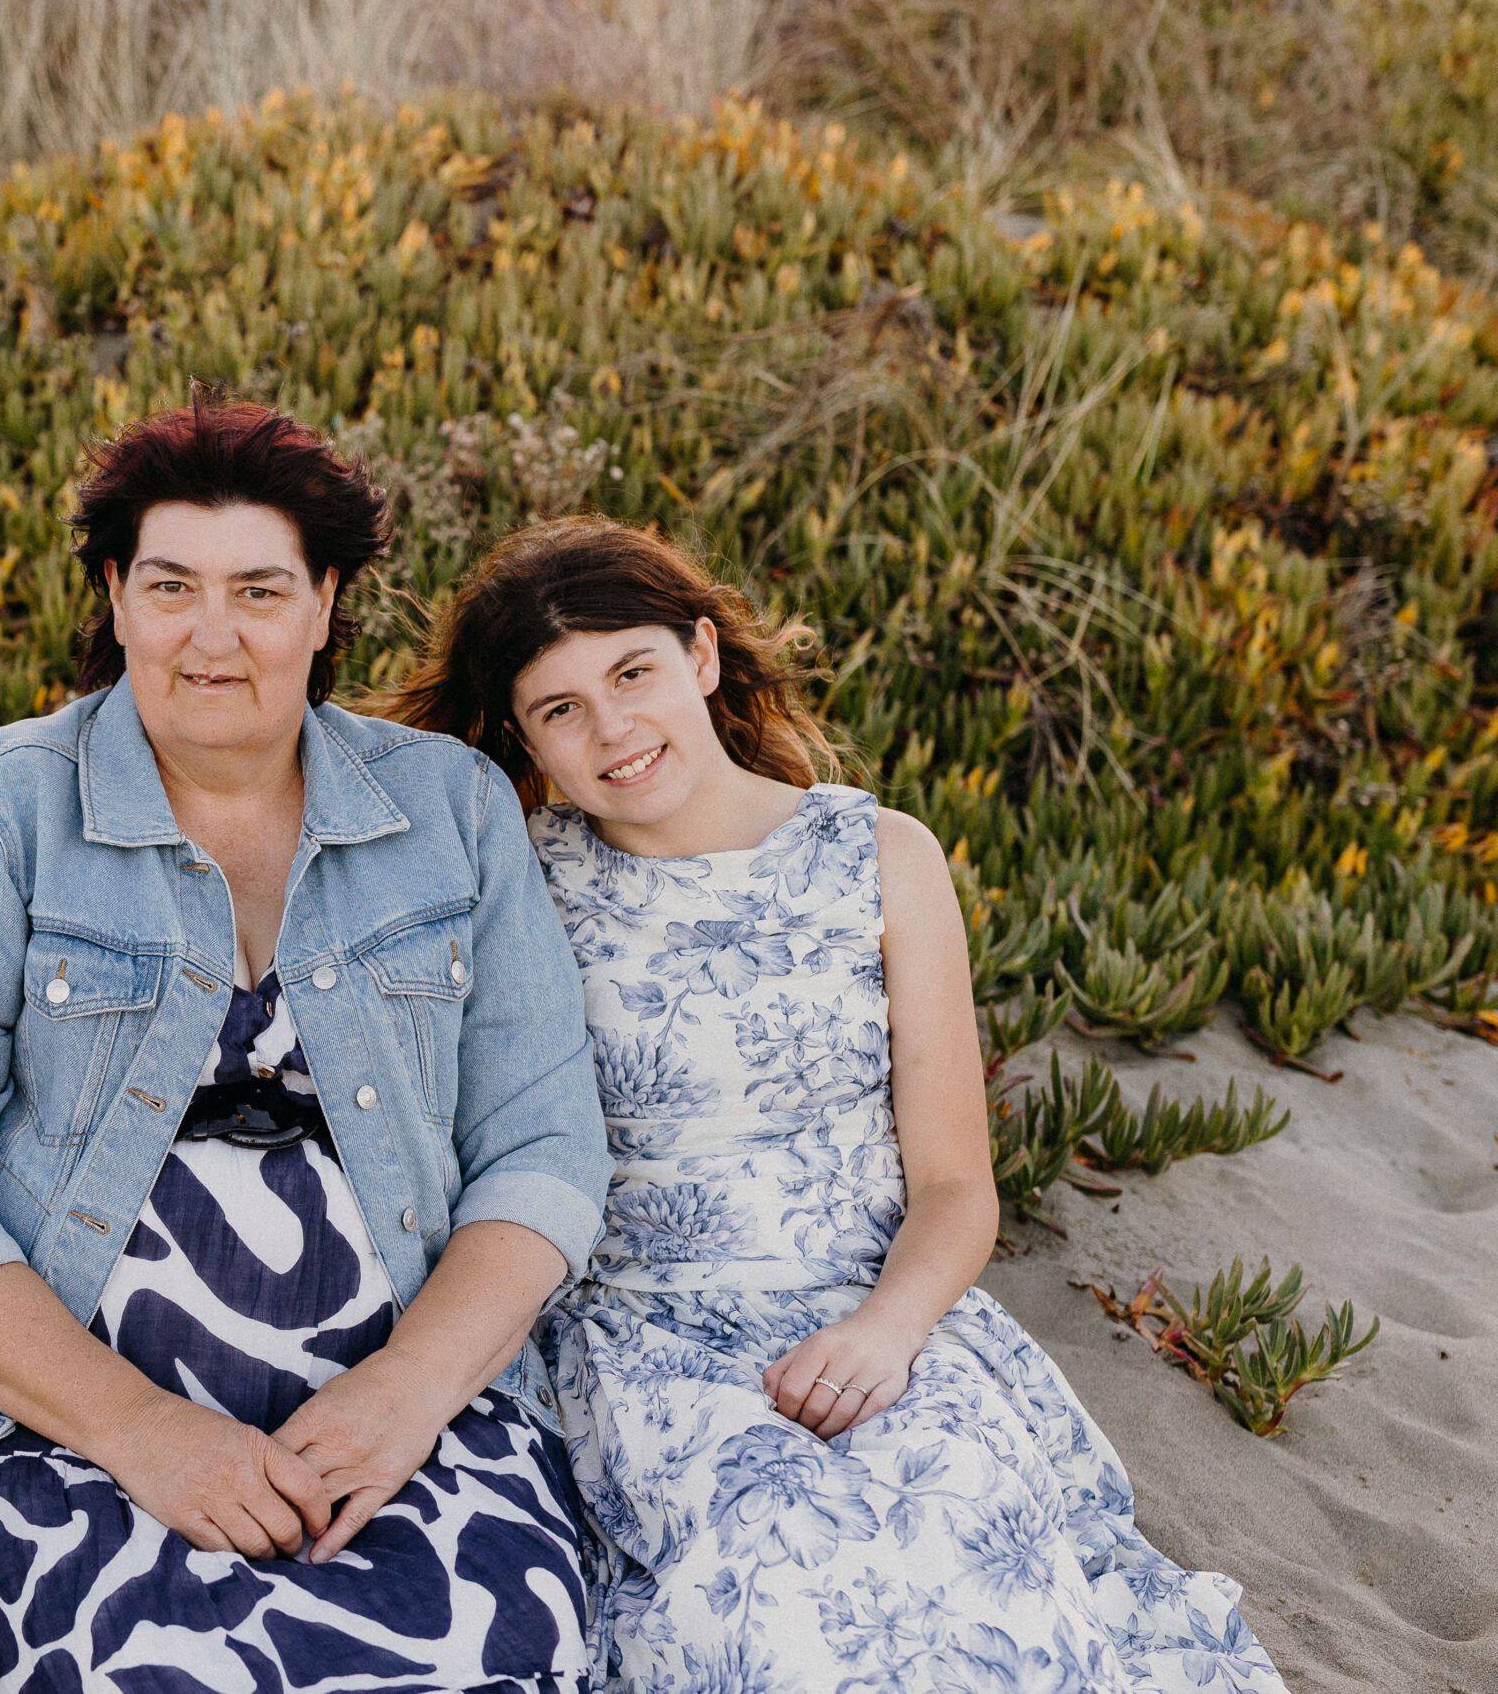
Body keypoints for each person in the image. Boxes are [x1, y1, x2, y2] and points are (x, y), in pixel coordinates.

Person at [387, 514, 1291, 1692]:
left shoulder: (880, 855)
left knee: (974, 1573)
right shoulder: (519, 877)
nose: (612, 729)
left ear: (701, 657)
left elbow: (959, 1188)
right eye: (560, 709)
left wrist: (887, 1331)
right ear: (522, 738)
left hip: (877, 1310)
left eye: (632, 672)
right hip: (639, 1343)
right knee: (783, 1592)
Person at [0, 395, 612, 1694]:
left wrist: (408, 1390)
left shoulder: (447, 807)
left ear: (327, 601)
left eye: (260, 588)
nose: (212, 634)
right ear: (118, 595)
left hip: (407, 1403)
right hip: (30, 1417)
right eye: (171, 584)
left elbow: (543, 1149)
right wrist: (141, 1428)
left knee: (484, 1653)